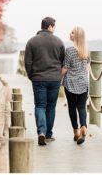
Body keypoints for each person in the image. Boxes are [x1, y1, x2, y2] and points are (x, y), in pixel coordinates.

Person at [24, 17, 65, 146]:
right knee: (51, 106)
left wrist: (32, 76)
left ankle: (41, 131)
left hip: (38, 78)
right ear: (50, 27)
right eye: (54, 26)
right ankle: (48, 134)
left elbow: (28, 62)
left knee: (40, 105)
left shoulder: (31, 42)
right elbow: (62, 61)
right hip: (54, 79)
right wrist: (58, 75)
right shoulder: (59, 42)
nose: (55, 29)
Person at [62, 26, 90, 145]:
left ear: (77, 36)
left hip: (71, 83)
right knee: (82, 107)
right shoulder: (86, 50)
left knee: (72, 108)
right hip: (83, 82)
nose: (70, 33)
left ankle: (76, 132)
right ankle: (83, 125)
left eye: (72, 32)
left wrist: (57, 77)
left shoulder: (69, 50)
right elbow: (87, 67)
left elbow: (65, 68)